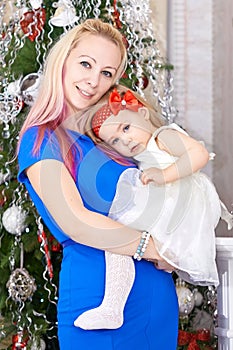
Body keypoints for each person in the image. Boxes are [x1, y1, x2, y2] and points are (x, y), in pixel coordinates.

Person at [17, 19, 179, 350]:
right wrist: (158, 248)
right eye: (86, 64)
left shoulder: (108, 141)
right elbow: (75, 221)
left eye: (107, 73)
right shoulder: (41, 138)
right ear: (63, 61)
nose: (94, 81)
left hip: (156, 298)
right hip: (99, 301)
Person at [74, 86, 233, 330]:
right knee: (119, 240)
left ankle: (113, 306)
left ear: (144, 114)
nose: (125, 140)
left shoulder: (164, 136)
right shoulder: (143, 151)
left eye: (126, 128)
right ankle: (114, 305)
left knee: (117, 237)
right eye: (115, 140)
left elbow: (198, 154)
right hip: (167, 201)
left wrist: (165, 174)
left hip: (182, 197)